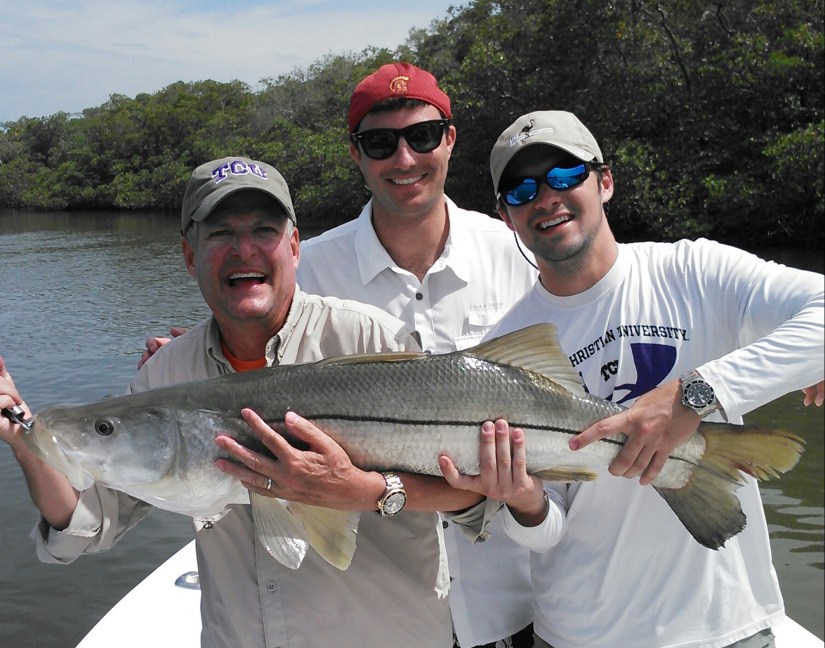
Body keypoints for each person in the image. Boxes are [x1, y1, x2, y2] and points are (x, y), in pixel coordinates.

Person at [0, 156, 522, 648]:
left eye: (264, 231)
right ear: (189, 255)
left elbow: (473, 498)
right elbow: (89, 524)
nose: (243, 249)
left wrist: (364, 490)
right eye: (220, 233)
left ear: (294, 246)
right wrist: (23, 437)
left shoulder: (372, 339)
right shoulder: (166, 374)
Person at [140, 63, 541, 648]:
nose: (404, 158)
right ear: (355, 153)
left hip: (506, 591)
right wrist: (181, 361)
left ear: (450, 139)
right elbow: (247, 349)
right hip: (381, 598)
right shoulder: (307, 267)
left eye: (422, 135)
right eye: (380, 143)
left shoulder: (522, 255)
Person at [456, 109, 824, 648]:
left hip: (726, 626)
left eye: (565, 175)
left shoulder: (694, 271)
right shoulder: (503, 351)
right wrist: (525, 503)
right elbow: (549, 530)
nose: (546, 198)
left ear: (604, 181)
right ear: (506, 217)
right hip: (580, 634)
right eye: (522, 190)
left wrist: (694, 395)